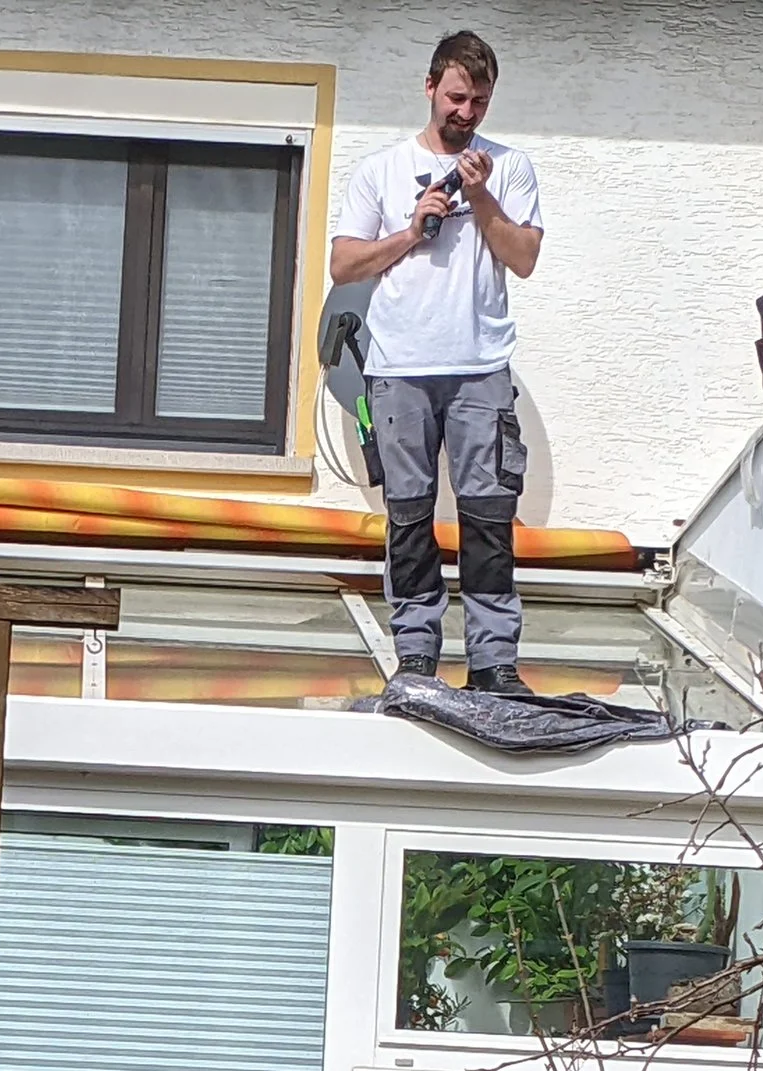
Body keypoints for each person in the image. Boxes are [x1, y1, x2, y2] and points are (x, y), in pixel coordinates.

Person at [331, 31, 545, 693]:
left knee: (487, 518)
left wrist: (479, 200)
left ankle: (493, 662)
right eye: (456, 97)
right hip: (398, 370)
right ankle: (417, 656)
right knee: (410, 517)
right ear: (430, 88)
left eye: (479, 101)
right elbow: (343, 265)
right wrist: (411, 230)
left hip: (481, 367)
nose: (467, 111)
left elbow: (526, 259)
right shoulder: (380, 171)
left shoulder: (508, 168)